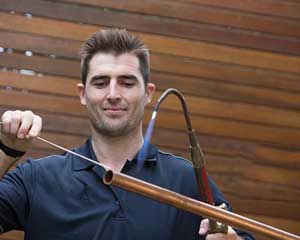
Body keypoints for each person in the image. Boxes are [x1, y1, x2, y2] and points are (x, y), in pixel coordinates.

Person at [0, 29, 255, 240]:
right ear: (82, 93)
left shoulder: (186, 181)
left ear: (148, 93)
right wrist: (6, 150)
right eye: (100, 83)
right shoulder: (37, 179)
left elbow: (238, 235)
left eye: (127, 82)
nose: (113, 94)